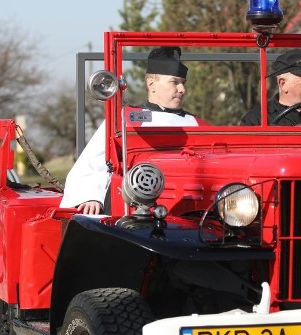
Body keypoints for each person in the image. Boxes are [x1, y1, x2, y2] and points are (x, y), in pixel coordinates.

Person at [60, 46, 201, 214]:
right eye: (174, 82)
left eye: (183, 83)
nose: (182, 89)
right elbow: (91, 164)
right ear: (151, 84)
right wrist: (91, 196)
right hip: (133, 211)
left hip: (189, 208)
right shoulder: (126, 119)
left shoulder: (196, 124)